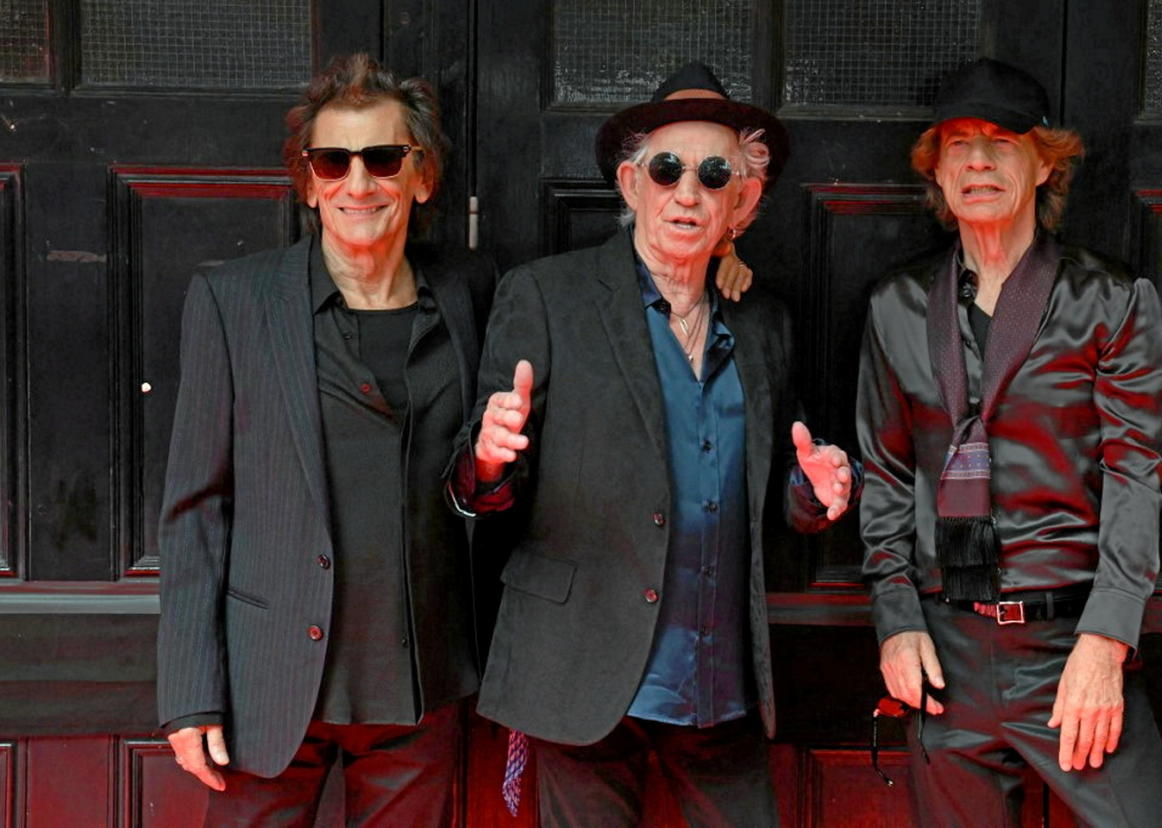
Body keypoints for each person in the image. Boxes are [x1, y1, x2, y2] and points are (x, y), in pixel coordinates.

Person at [447, 62, 860, 827]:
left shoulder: (763, 321)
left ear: (744, 200)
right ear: (632, 185)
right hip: (579, 666)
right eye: (667, 170)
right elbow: (478, 483)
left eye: (713, 175)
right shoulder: (548, 295)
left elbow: (786, 488)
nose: (688, 192)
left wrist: (819, 489)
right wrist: (489, 457)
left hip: (717, 675)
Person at [155, 53, 498, 825]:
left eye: (382, 159)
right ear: (308, 182)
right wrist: (187, 694)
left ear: (422, 177)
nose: (358, 183)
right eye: (332, 162)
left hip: (421, 685)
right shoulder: (233, 302)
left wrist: (723, 252)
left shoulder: (474, 292)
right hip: (267, 682)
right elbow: (195, 507)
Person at [857, 58, 1162, 825]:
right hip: (947, 653)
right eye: (958, 143)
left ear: (1044, 163)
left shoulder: (1111, 300)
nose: (977, 161)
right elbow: (884, 472)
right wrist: (896, 620)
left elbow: (1136, 472)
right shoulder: (897, 306)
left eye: (1002, 142)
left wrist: (1106, 643)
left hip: (1071, 644)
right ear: (935, 168)